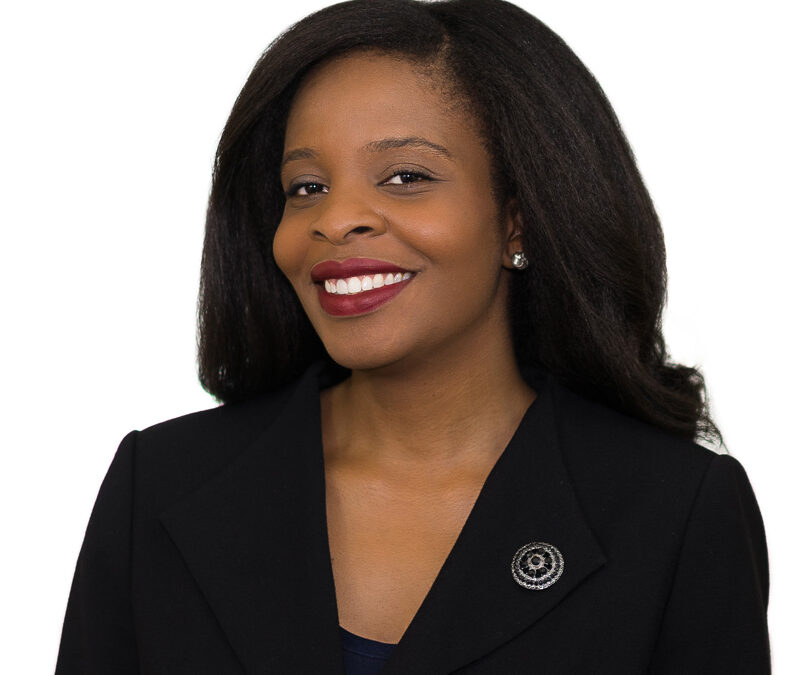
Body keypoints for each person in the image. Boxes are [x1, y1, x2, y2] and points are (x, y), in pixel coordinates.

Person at [55, 0, 770, 673]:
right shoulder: (159, 483)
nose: (336, 219)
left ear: (517, 221)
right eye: (306, 187)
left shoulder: (677, 512)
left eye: (405, 175)